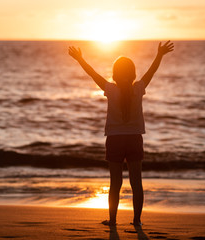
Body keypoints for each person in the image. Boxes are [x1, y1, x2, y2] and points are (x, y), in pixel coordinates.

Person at [68, 41, 174, 226]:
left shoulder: (110, 89)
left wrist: (80, 59)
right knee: (136, 183)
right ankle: (137, 221)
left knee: (115, 184)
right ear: (133, 74)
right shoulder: (138, 88)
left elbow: (93, 74)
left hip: (114, 139)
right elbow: (151, 71)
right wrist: (159, 55)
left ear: (115, 74)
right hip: (134, 138)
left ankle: (113, 220)